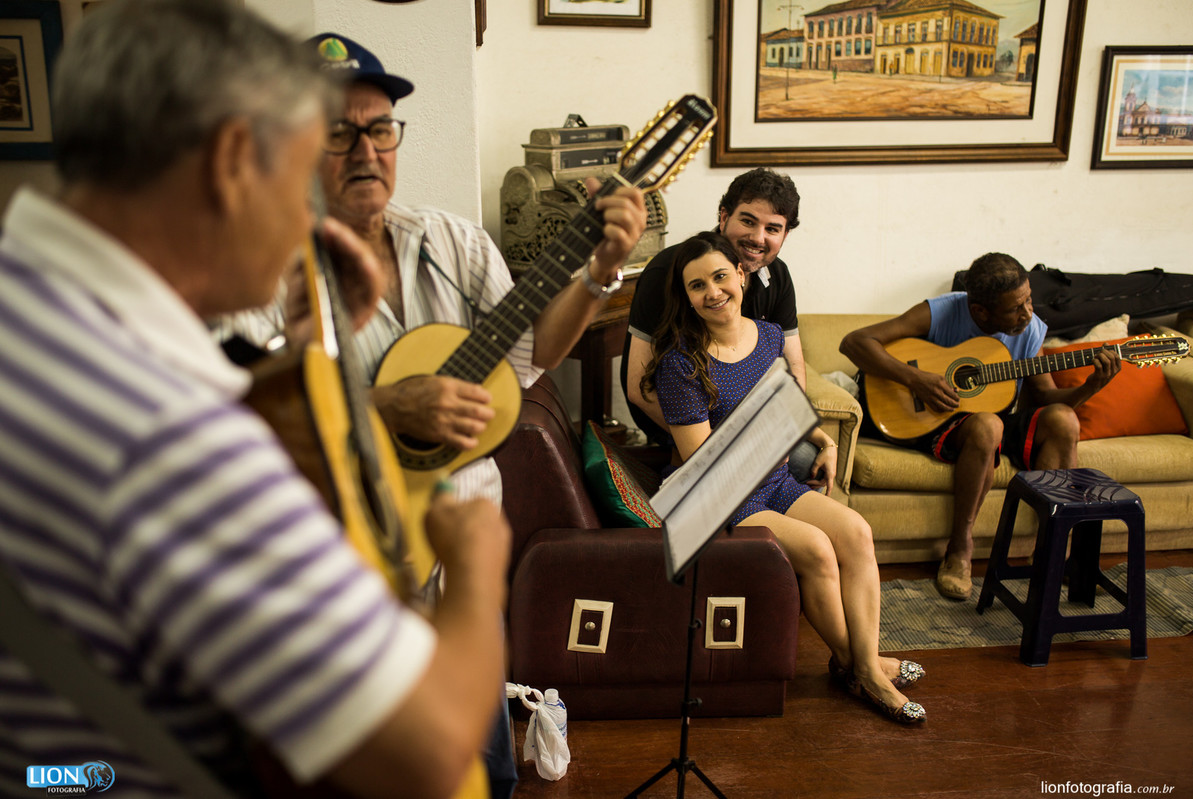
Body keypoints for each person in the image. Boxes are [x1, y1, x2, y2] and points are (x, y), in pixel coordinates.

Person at [0, 2, 510, 797]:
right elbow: (431, 750)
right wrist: (478, 561)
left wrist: (296, 361)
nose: (312, 216)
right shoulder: (174, 440)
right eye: (306, 166)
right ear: (235, 160)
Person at [299, 32, 645, 506]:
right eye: (339, 134)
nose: (367, 153)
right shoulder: (263, 276)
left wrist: (599, 270)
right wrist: (383, 407)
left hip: (471, 527)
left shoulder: (457, 242)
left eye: (380, 130)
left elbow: (533, 352)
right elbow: (239, 420)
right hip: (347, 536)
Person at [641, 232, 926, 725]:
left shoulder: (769, 335)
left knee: (857, 532)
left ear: (742, 275)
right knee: (816, 548)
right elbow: (706, 466)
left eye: (720, 276)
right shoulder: (681, 363)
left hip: (773, 482)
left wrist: (823, 439)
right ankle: (869, 673)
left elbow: (783, 405)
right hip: (722, 498)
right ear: (685, 297)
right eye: (697, 285)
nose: (712, 291)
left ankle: (857, 661)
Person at [839, 252, 1121, 601]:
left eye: (1029, 300)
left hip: (995, 417)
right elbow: (854, 341)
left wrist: (1092, 386)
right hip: (938, 419)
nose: (1028, 313)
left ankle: (1053, 550)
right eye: (1015, 308)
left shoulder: (1029, 329)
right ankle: (959, 549)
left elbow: (1047, 398)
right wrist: (916, 379)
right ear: (980, 312)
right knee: (988, 426)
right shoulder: (943, 311)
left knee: (1063, 419)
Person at [621, 168, 837, 492]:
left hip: (749, 428)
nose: (758, 238)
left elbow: (793, 371)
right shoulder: (668, 271)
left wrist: (794, 434)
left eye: (773, 228)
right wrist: (718, 453)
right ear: (724, 217)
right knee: (803, 463)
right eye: (748, 221)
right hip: (682, 422)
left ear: (785, 235)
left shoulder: (777, 277)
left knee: (806, 458)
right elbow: (639, 389)